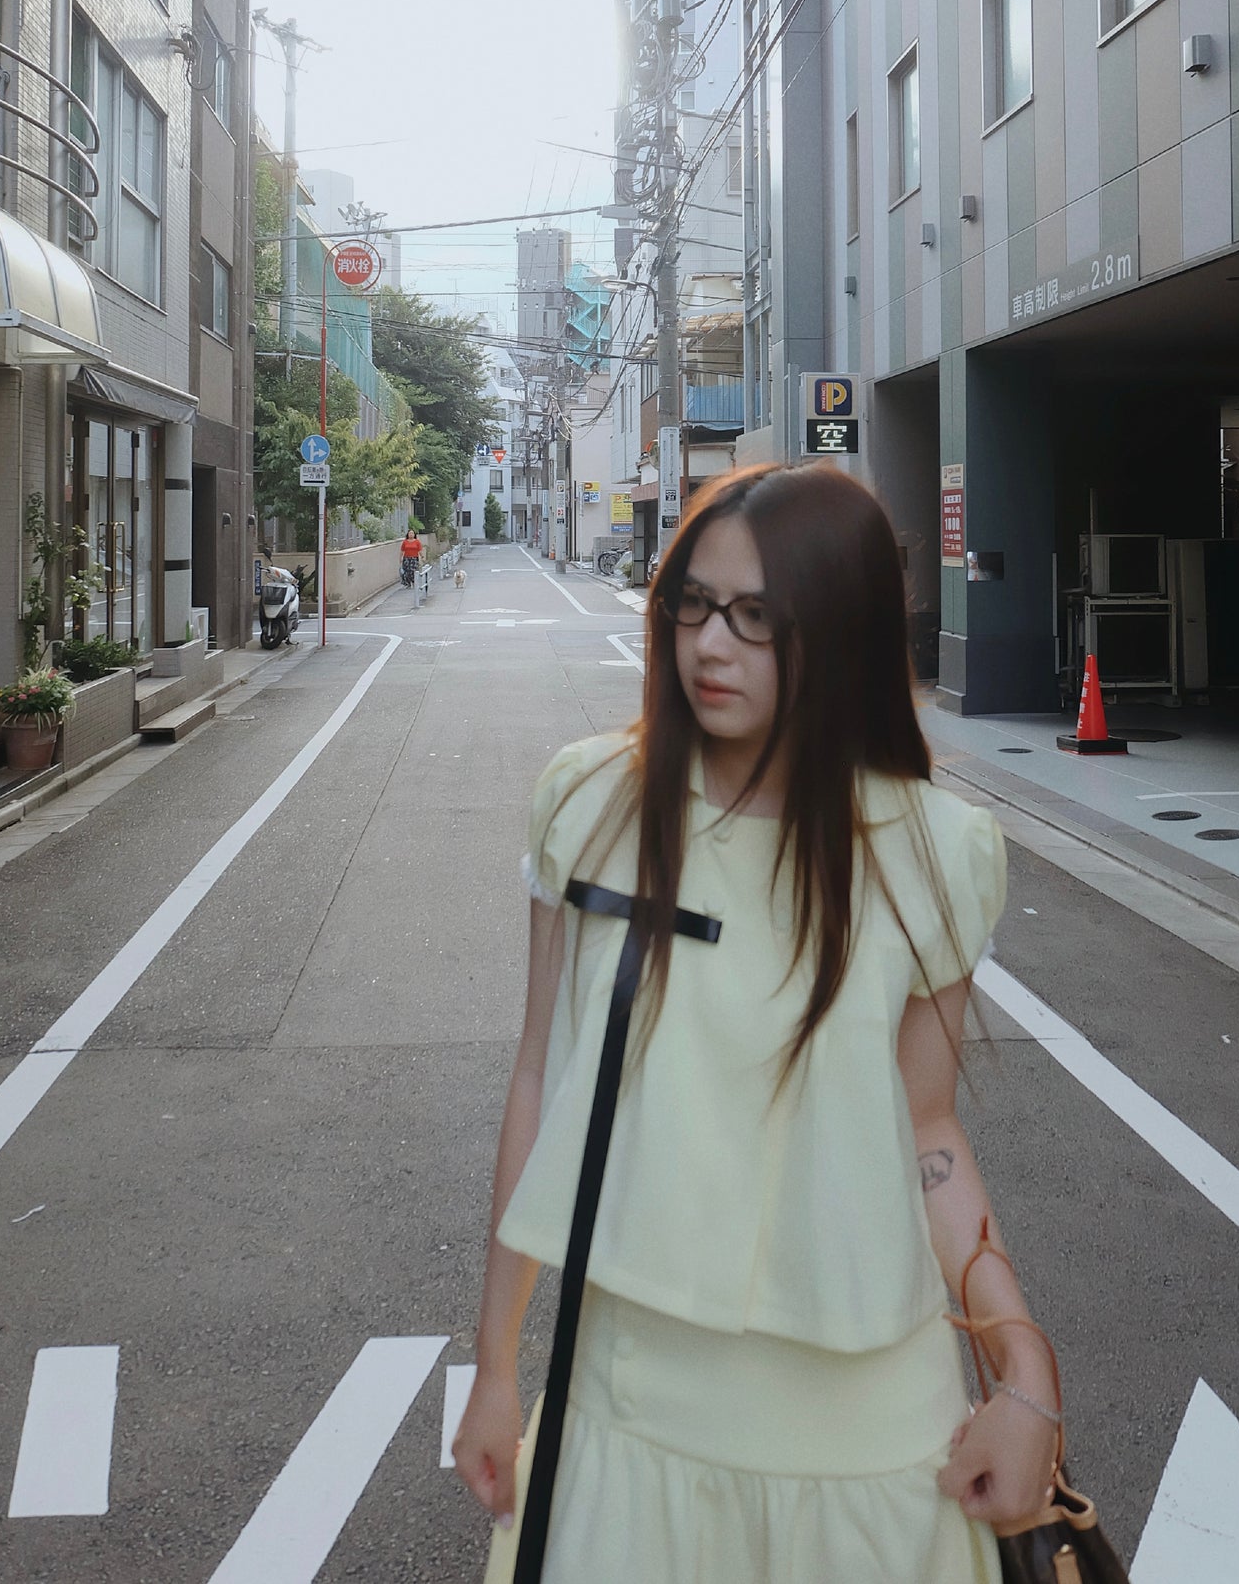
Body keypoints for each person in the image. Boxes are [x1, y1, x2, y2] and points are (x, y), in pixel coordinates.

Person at [453, 462, 1060, 1583]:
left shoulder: (936, 851)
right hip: (630, 1416)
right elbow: (539, 1079)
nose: (708, 645)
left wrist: (1023, 1367)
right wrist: (495, 1364)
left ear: (839, 635)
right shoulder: (590, 806)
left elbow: (926, 1129)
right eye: (692, 603)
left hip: (875, 1441)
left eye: (755, 618)